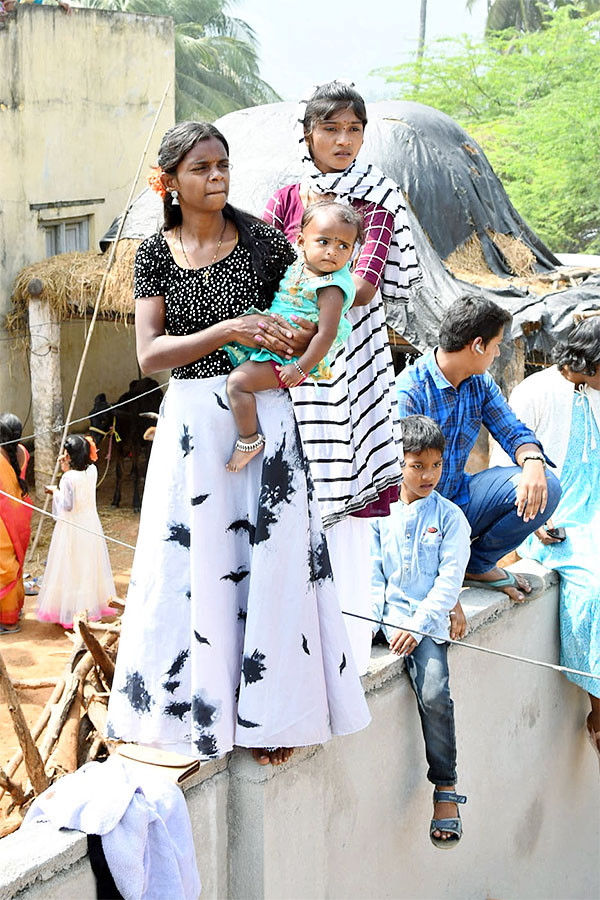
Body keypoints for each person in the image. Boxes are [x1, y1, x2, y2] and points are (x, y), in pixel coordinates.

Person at [106, 121, 370, 767]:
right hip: (194, 421)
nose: (218, 177)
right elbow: (149, 354)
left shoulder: (261, 240)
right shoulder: (153, 253)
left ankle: (272, 716)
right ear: (169, 182)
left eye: (223, 164)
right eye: (202, 168)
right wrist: (230, 327)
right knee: (190, 568)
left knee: (272, 561)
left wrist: (294, 345)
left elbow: (311, 302)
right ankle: (183, 720)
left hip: (263, 414)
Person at [263, 80, 422, 675]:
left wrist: (305, 306)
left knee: (346, 519)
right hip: (287, 357)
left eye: (353, 129)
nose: (342, 140)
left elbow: (365, 282)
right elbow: (262, 269)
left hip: (347, 367)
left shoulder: (377, 198)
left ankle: (344, 658)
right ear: (308, 132)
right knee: (284, 500)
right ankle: (286, 661)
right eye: (330, 128)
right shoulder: (285, 198)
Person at [396, 294, 562, 603]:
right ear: (477, 345)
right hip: (415, 516)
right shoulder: (410, 390)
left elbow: (513, 431)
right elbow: (400, 484)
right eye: (496, 344)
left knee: (547, 486)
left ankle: (477, 565)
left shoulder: (479, 383)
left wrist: (534, 462)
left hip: (460, 499)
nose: (498, 353)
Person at [492, 317, 600, 763]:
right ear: (590, 361)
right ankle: (599, 709)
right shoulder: (533, 393)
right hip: (550, 521)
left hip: (595, 515)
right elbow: (506, 471)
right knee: (593, 585)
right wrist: (534, 522)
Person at [370, 415, 470, 848]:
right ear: (398, 463)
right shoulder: (377, 512)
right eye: (417, 465)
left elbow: (448, 582)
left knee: (433, 692)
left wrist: (417, 626)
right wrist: (371, 623)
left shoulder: (451, 519)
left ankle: (445, 787)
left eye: (435, 465)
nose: (427, 475)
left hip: (425, 627)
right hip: (382, 621)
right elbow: (372, 573)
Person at [224, 201, 362, 472]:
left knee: (237, 384)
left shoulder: (331, 287)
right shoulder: (300, 265)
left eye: (343, 246)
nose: (332, 252)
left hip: (290, 357)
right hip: (273, 343)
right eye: (324, 242)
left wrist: (299, 369)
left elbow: (326, 335)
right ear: (301, 241)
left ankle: (249, 439)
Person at [36, 435, 115, 629]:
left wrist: (55, 491)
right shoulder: (93, 470)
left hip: (72, 527)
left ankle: (71, 611)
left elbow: (67, 505)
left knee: (70, 567)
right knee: (88, 566)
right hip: (90, 523)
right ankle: (89, 607)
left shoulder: (69, 478)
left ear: (70, 456)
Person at [0, 413, 32, 634]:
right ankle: (14, 611)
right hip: (19, 514)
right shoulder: (23, 452)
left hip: (3, 517)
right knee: (14, 563)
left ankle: (8, 619)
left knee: (4, 565)